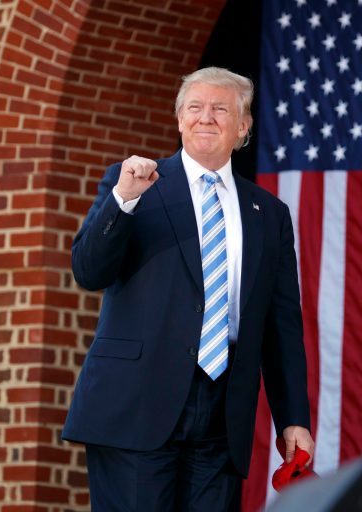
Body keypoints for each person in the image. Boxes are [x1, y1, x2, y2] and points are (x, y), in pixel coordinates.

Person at [62, 66, 314, 511]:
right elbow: (88, 271)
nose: (206, 117)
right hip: (135, 409)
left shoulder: (269, 213)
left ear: (243, 126)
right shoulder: (135, 185)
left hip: (222, 418)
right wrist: (123, 201)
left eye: (221, 109)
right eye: (195, 107)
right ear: (179, 120)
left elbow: (282, 325)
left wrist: (292, 417)